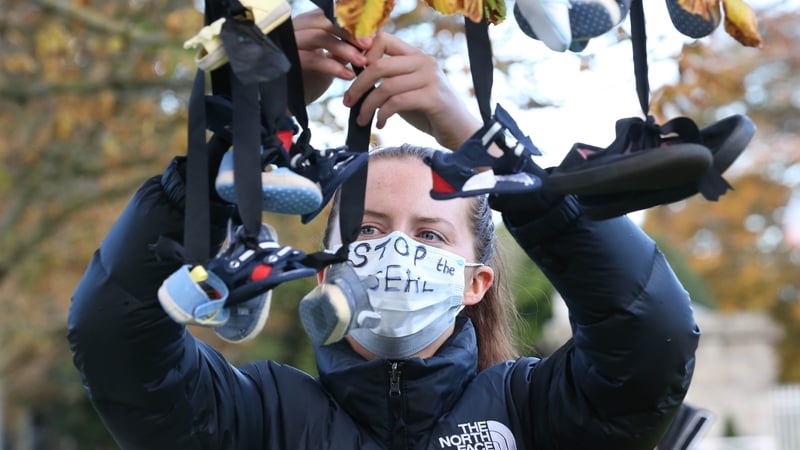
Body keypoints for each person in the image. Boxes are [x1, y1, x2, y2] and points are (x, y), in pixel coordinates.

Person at [67, 9, 700, 449]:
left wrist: (483, 148)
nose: (396, 249)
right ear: (325, 264)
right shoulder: (254, 419)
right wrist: (246, 148)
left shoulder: (541, 414)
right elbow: (115, 339)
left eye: (430, 235)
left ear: (476, 281)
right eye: (367, 231)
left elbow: (651, 335)